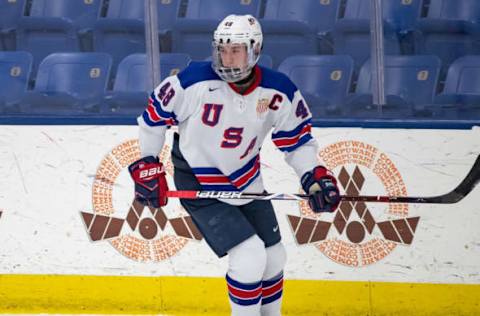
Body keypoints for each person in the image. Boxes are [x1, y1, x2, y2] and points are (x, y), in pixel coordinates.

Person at [128, 14, 340, 316]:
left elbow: (297, 140)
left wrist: (313, 176)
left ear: (254, 49)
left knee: (274, 256)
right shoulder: (193, 82)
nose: (227, 58)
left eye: (236, 50)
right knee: (249, 254)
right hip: (200, 182)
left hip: (246, 182)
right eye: (222, 49)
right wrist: (148, 164)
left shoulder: (278, 91)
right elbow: (152, 119)